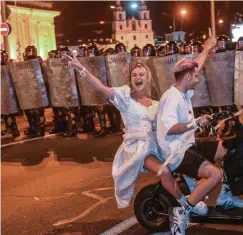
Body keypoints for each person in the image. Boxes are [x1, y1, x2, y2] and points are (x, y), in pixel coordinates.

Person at [64, 54, 208, 213]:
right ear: (130, 79)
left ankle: (196, 192)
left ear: (148, 79)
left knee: (188, 159)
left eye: (141, 75)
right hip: (140, 148)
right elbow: (101, 87)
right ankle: (185, 205)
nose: (137, 77)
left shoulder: (156, 104)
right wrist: (81, 68)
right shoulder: (125, 99)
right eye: (134, 75)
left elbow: (186, 79)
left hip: (158, 144)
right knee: (164, 171)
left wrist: (206, 51)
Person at [157, 36, 243, 235]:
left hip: (188, 143)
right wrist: (195, 123)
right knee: (214, 175)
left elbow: (197, 62)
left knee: (228, 149)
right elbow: (170, 129)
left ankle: (225, 198)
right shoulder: (172, 97)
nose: (198, 78)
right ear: (188, 76)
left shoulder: (183, 91)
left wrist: (207, 47)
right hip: (176, 152)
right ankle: (182, 213)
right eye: (196, 76)